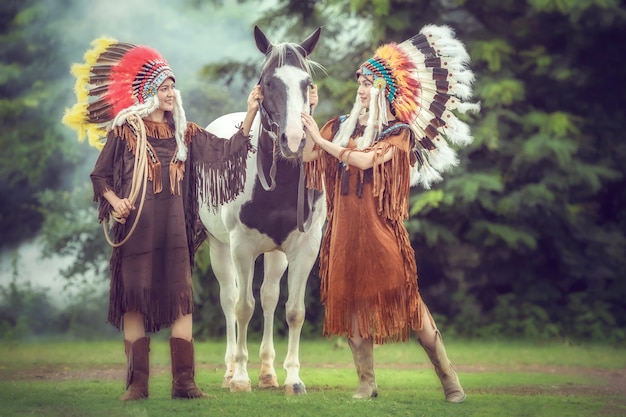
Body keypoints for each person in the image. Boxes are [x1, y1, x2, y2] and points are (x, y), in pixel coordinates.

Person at [62, 38, 261, 401]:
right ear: (148, 93)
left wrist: (249, 113)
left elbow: (226, 151)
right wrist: (115, 200)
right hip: (135, 234)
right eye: (164, 88)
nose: (171, 93)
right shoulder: (124, 132)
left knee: (181, 301)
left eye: (172, 87)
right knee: (135, 301)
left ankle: (184, 383)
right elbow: (99, 177)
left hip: (174, 235)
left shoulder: (185, 135)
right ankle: (137, 386)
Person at [301, 25, 480, 402]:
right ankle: (367, 382)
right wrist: (311, 115)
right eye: (360, 82)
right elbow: (306, 156)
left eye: (369, 83)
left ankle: (449, 378)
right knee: (349, 305)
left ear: (385, 90)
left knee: (410, 306)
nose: (362, 89)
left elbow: (365, 161)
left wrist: (322, 141)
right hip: (344, 232)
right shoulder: (338, 127)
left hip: (381, 233)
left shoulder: (397, 133)